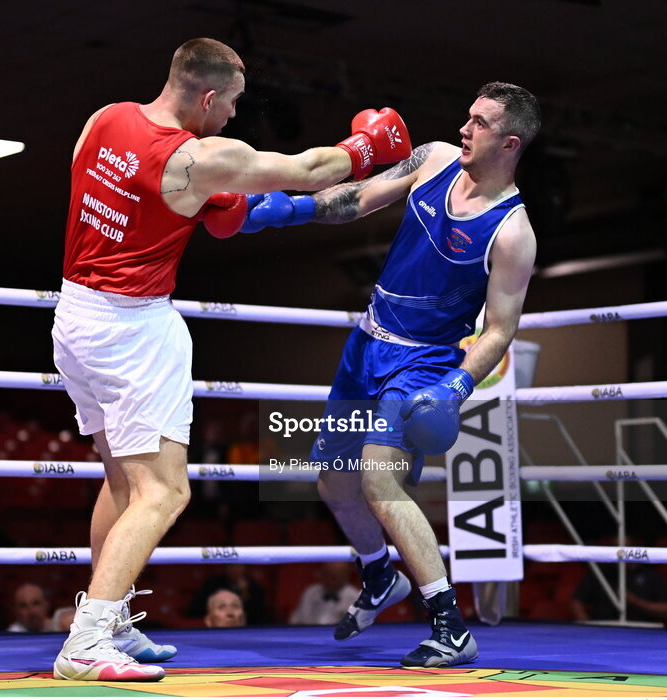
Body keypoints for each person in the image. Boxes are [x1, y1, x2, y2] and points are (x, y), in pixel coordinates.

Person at [51, 37, 412, 683]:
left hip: (74, 314)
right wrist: (372, 146)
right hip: (131, 327)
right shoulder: (198, 157)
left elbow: (111, 193)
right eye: (234, 104)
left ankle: (116, 625)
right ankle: (85, 640)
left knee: (123, 482)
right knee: (165, 492)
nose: (235, 118)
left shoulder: (102, 119)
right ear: (209, 95)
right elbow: (309, 171)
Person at [239, 82, 540, 667]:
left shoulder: (513, 232)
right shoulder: (433, 160)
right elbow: (358, 198)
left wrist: (456, 385)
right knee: (333, 481)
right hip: (366, 346)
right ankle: (380, 575)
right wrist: (294, 209)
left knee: (379, 482)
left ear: (509, 142)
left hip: (424, 364)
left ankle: (450, 625)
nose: (464, 128)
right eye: (467, 116)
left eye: (478, 123)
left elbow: (500, 330)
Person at [570, 561, 667, 624]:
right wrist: (586, 625)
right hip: (601, 629)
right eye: (615, 546)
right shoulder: (600, 573)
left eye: (625, 547)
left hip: (642, 631)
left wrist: (635, 601)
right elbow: (577, 601)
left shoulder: (651, 576)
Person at [187, 563, 268, 624]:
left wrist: (245, 595)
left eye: (239, 565)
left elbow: (258, 618)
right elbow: (195, 611)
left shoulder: (255, 589)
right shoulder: (212, 585)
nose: (230, 613)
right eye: (221, 607)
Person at [289, 560, 360, 626]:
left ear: (345, 576)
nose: (329, 580)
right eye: (325, 575)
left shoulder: (355, 598)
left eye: (333, 577)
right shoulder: (310, 593)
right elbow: (296, 621)